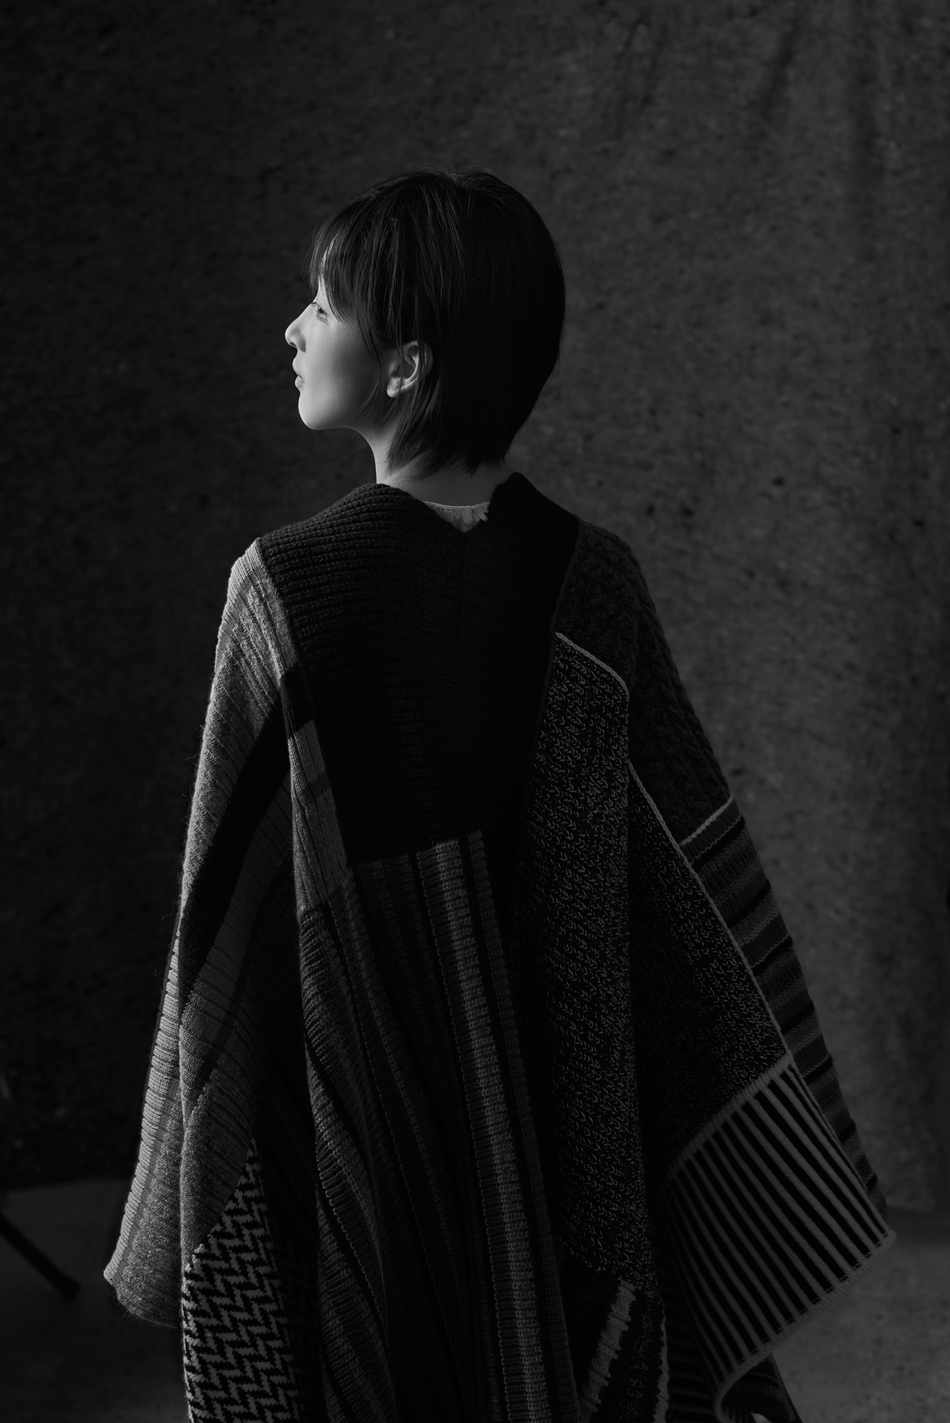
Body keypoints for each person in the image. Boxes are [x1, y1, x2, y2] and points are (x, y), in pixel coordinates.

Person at [105, 168, 893, 1423]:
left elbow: (230, 934)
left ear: (406, 366)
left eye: (324, 306)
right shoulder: (593, 577)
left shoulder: (285, 590)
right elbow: (690, 911)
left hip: (362, 1118)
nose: (295, 329)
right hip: (581, 1121)